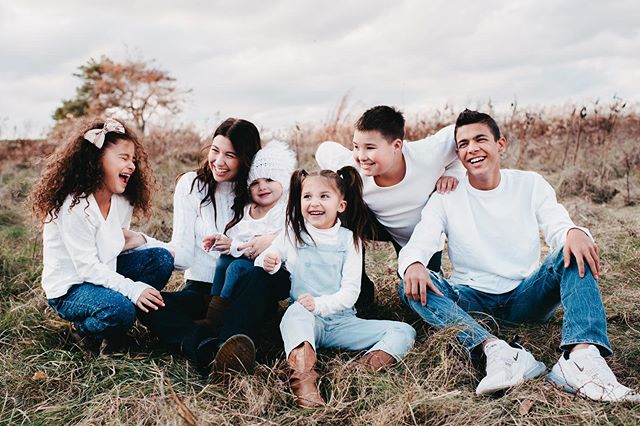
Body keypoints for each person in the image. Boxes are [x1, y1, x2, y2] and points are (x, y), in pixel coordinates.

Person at [397, 109, 639, 402]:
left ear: (500, 144)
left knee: (574, 247)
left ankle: (580, 359)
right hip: (473, 300)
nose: (471, 148)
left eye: (480, 139)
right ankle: (497, 351)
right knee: (408, 284)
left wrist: (574, 232)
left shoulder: (529, 183)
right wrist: (414, 263)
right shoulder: (447, 196)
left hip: (526, 296)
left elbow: (557, 224)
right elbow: (422, 238)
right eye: (463, 144)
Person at [136, 118, 291, 377]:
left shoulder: (263, 188)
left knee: (253, 278)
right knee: (146, 303)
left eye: (230, 155)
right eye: (215, 150)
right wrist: (142, 242)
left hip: (249, 286)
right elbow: (182, 252)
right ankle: (209, 348)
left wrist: (270, 240)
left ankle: (230, 345)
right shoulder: (191, 185)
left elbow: (300, 228)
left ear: (246, 159)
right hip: (202, 291)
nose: (219, 161)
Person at [256, 167, 416, 408]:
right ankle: (304, 382)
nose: (314, 203)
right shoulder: (293, 234)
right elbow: (270, 256)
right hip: (307, 319)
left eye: (324, 196)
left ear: (341, 205)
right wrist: (268, 261)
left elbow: (351, 292)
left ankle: (357, 371)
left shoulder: (349, 240)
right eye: (307, 196)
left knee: (404, 331)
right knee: (295, 313)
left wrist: (320, 304)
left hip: (342, 321)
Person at [29, 118, 174, 353]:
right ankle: (84, 329)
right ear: (97, 160)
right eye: (124, 158)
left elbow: (117, 242)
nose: (132, 166)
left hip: (105, 273)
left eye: (134, 160)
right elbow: (87, 268)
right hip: (71, 288)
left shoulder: (121, 201)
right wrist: (133, 289)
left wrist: (171, 250)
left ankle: (113, 326)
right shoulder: (75, 206)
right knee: (122, 310)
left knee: (161, 259)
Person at [315, 105, 463, 309]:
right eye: (356, 146)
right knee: (340, 204)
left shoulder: (428, 153)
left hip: (421, 233)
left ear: (397, 146)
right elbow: (324, 150)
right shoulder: (351, 165)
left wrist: (455, 172)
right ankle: (359, 292)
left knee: (423, 297)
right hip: (378, 224)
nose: (361, 156)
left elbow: (465, 132)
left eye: (370, 148)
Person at [196, 140, 296, 330]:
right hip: (247, 257)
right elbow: (238, 238)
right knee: (223, 262)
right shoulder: (248, 210)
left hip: (272, 266)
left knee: (235, 267)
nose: (262, 187)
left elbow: (287, 240)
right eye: (255, 183)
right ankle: (212, 308)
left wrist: (237, 246)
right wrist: (222, 240)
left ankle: (218, 316)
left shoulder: (283, 211)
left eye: (269, 180)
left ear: (282, 181)